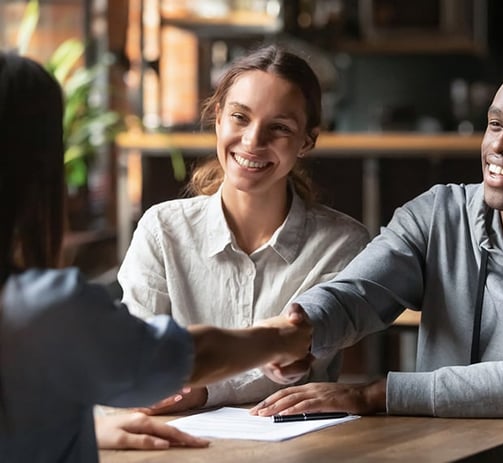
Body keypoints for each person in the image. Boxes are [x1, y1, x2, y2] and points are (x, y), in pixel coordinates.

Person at [251, 57, 503, 462]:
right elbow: (357, 294)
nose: (500, 144)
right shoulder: (438, 212)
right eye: (495, 124)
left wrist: (376, 394)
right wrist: (302, 328)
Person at [0, 51, 311, 462]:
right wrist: (284, 338)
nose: (253, 140)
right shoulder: (45, 308)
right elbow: (175, 355)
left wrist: (90, 424)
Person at [117, 45, 369, 414]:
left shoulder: (342, 245)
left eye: (279, 127)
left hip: (299, 447)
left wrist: (202, 389)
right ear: (218, 118)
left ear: (307, 141)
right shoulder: (161, 230)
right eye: (240, 117)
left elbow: (297, 363)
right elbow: (136, 354)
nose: (253, 141)